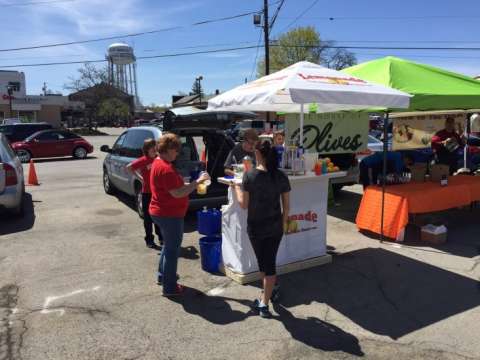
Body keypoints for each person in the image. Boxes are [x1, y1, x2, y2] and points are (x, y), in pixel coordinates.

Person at [233, 140, 291, 318]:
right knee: (267, 263)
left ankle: (264, 304)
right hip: (275, 226)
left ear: (258, 154)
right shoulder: (280, 175)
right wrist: (283, 223)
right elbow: (287, 206)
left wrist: (236, 187)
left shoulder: (249, 176)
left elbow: (243, 204)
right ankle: (268, 292)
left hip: (257, 226)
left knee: (266, 264)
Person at [149, 133, 210, 296]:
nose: (177, 153)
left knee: (168, 247)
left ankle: (163, 276)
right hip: (169, 215)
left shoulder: (158, 162)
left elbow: (172, 187)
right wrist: (197, 182)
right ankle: (169, 287)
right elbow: (177, 193)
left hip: (160, 211)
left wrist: (187, 184)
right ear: (168, 149)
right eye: (176, 150)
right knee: (172, 251)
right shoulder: (165, 168)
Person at [126, 138, 162, 249]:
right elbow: (129, 168)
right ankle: (149, 240)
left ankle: (161, 238)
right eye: (152, 147)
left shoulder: (158, 159)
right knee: (148, 218)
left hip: (158, 193)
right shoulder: (143, 160)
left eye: (155, 147)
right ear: (147, 149)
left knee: (159, 217)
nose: (155, 149)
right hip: (147, 193)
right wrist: (140, 178)